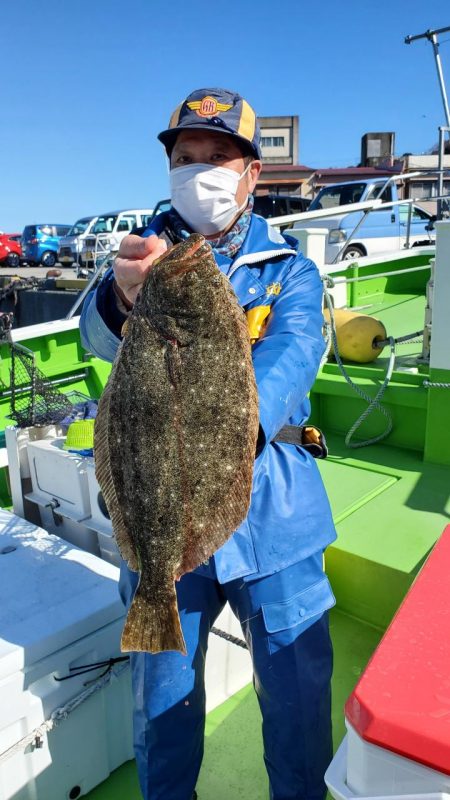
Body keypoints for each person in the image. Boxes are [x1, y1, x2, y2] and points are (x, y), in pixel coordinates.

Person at [80, 87, 337, 800]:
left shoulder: (290, 269)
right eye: (185, 158)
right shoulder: (142, 260)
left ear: (252, 172)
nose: (200, 172)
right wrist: (124, 295)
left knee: (297, 699)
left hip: (274, 510)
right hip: (161, 512)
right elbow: (95, 340)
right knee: (162, 701)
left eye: (218, 158)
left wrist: (220, 438)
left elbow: (290, 361)